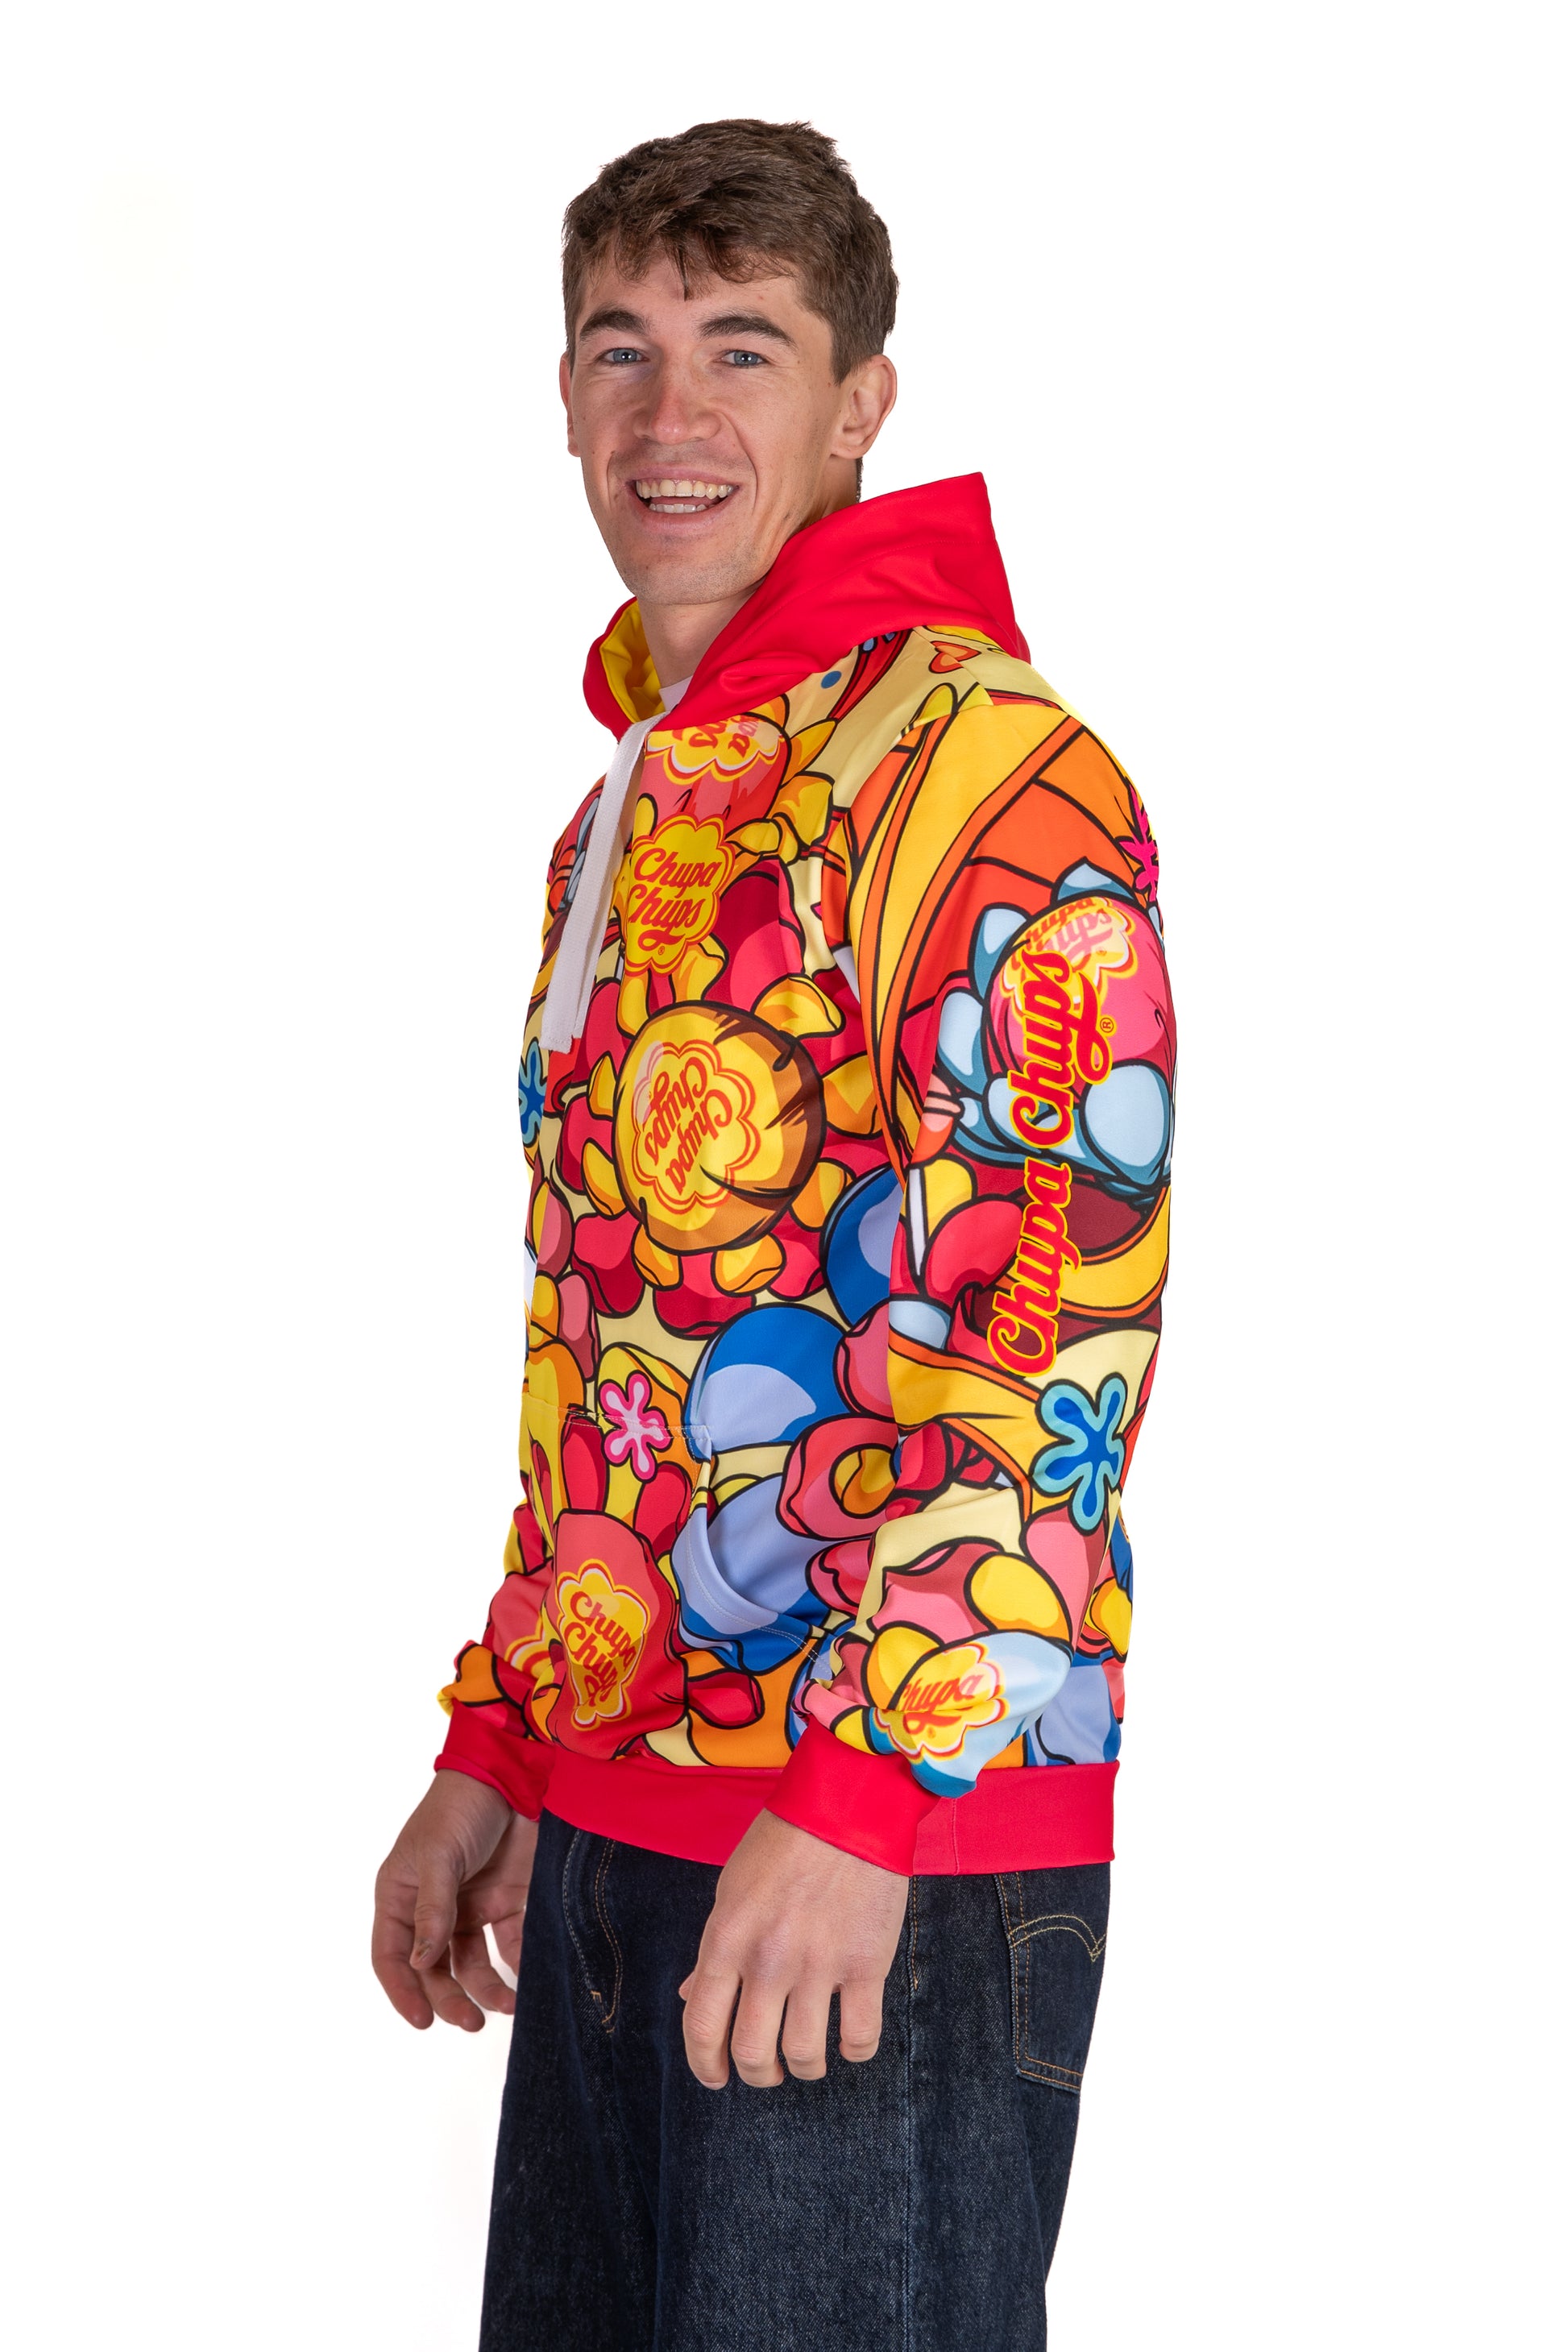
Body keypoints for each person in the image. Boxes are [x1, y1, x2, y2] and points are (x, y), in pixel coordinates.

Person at [371, 118, 1175, 2352]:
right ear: (561, 394)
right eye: (618, 347)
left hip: (873, 1832)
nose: (671, 412)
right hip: (618, 1825)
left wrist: (871, 1793)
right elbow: (613, 1330)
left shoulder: (990, 774)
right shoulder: (624, 812)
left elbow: (1056, 1320)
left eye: (743, 347)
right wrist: (504, 1744)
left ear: (859, 403)